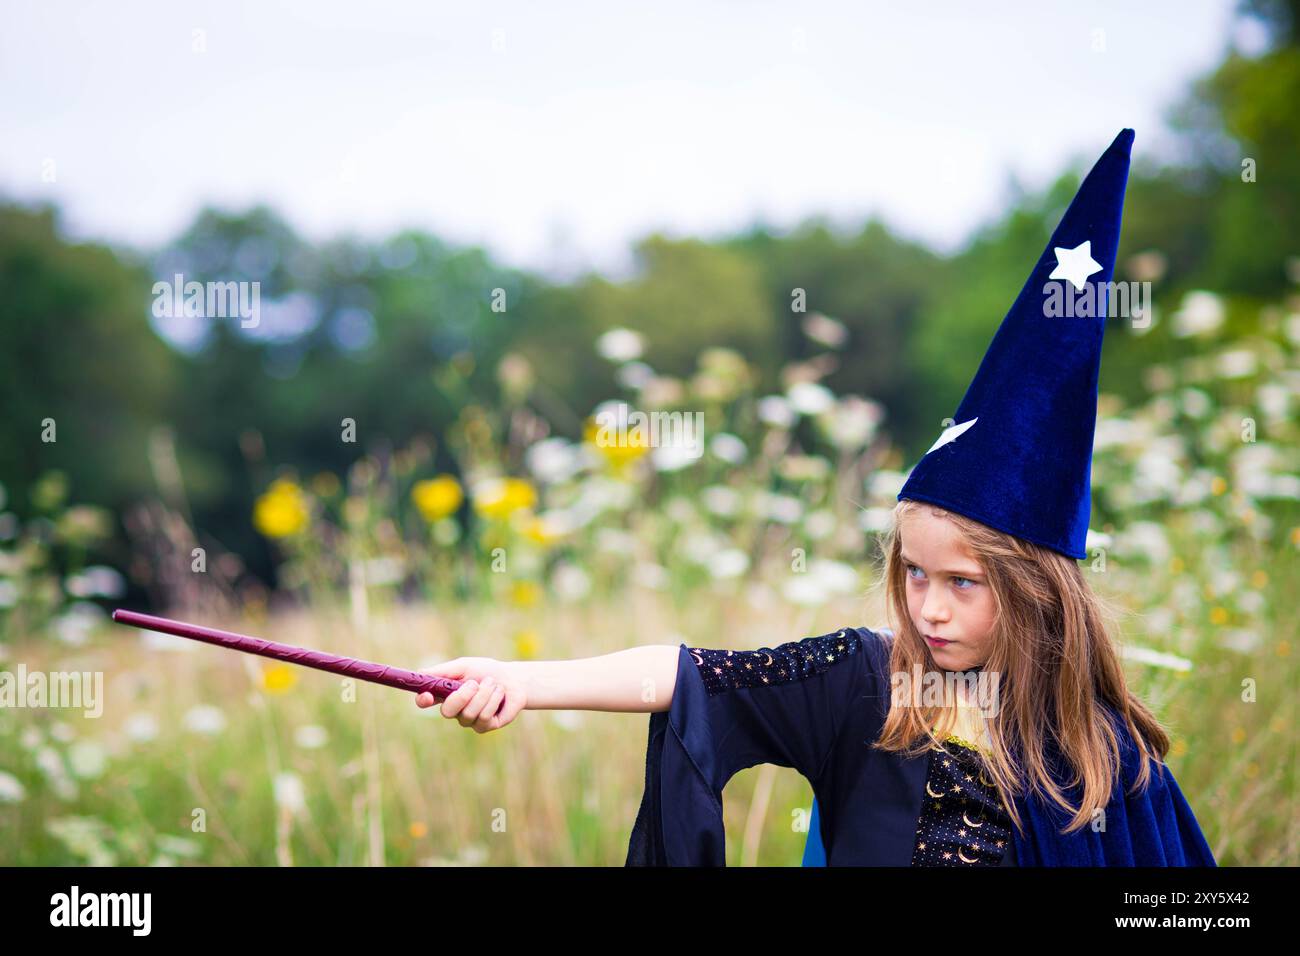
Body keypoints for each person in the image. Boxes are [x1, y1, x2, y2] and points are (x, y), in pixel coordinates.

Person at [414, 128, 1218, 866]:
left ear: (1038, 593)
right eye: (915, 574)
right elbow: (691, 676)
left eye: (963, 583)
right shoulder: (869, 684)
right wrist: (521, 681)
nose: (929, 608)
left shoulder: (1112, 766)